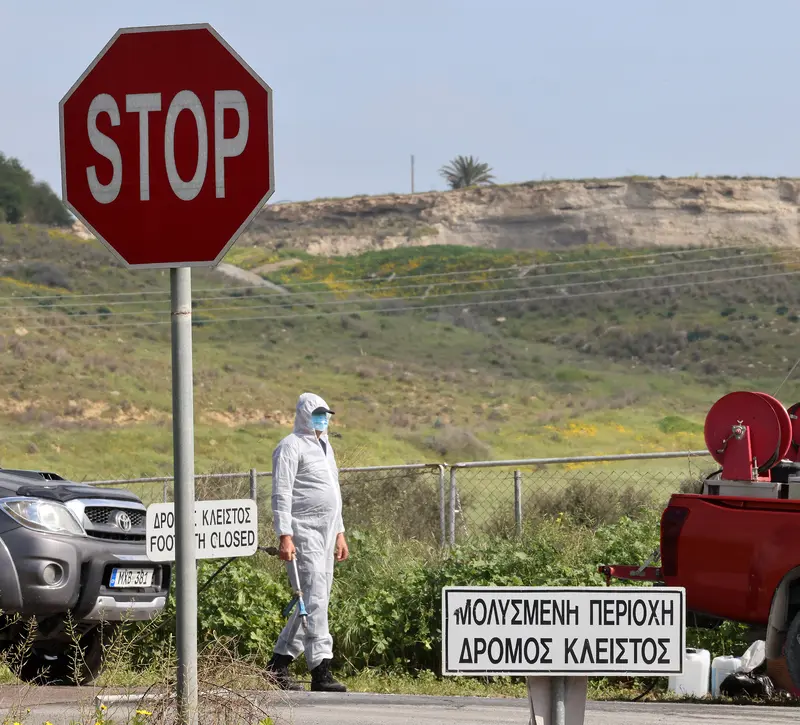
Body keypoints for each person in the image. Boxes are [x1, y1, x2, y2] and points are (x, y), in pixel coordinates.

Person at [266, 392, 349, 692]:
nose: (323, 420)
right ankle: (320, 669)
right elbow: (281, 493)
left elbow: (333, 492)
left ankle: (278, 664)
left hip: (327, 534)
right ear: (303, 415)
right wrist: (284, 535)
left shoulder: (326, 448)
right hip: (303, 533)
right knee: (313, 597)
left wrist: (339, 532)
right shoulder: (290, 447)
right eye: (317, 414)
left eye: (326, 415)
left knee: (316, 600)